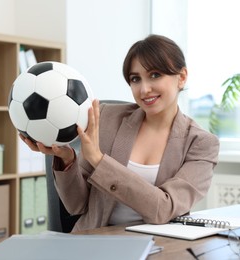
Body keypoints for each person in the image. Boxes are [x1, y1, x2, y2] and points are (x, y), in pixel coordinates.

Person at [20, 34, 220, 232]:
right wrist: (67, 159)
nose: (144, 89)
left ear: (182, 77)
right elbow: (77, 205)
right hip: (97, 242)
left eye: (155, 75)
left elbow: (163, 208)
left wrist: (99, 161)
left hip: (160, 246)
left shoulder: (202, 144)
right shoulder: (107, 118)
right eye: (135, 79)